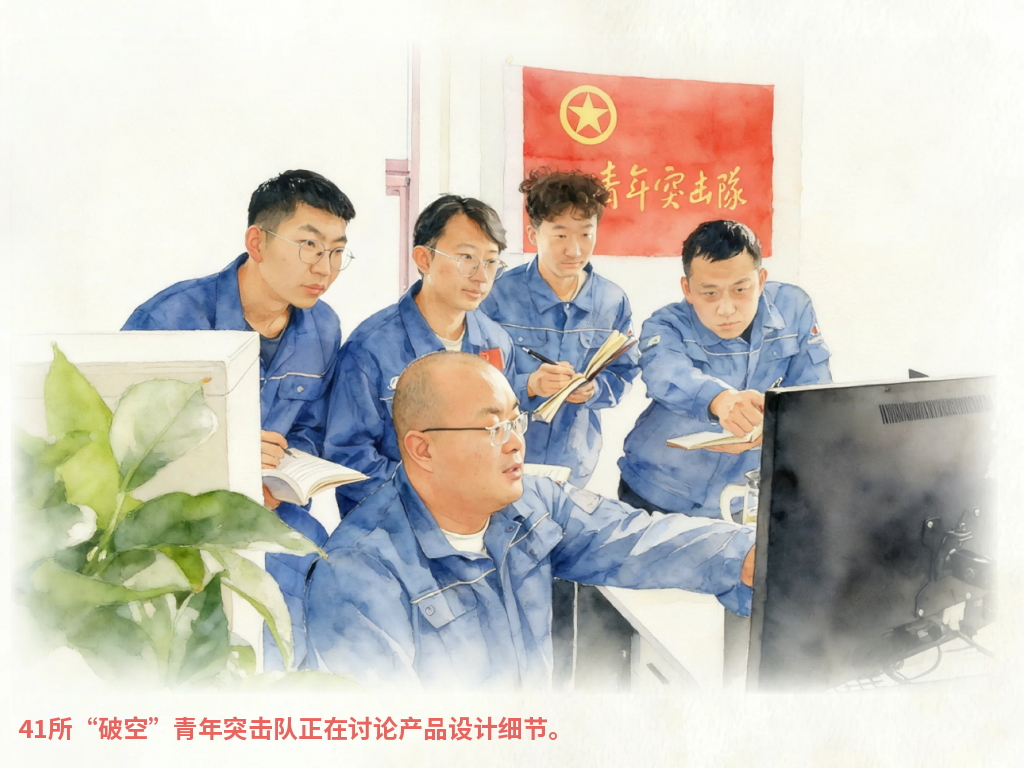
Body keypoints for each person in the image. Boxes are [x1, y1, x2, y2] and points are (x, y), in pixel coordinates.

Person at [304, 351, 755, 690]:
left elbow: (634, 538)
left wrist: (750, 551)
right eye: (493, 428)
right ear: (423, 449)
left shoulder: (531, 502)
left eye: (516, 422)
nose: (516, 443)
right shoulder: (358, 573)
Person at [122, 169, 356, 669]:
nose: (325, 267)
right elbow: (122, 449)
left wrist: (278, 480)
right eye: (309, 246)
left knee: (331, 576)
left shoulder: (324, 326)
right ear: (257, 242)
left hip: (270, 512)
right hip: (177, 518)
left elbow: (309, 428)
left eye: (337, 251)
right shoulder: (171, 322)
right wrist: (231, 462)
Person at [324, 194, 554, 516]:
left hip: (475, 513)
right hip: (393, 519)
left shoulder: (496, 342)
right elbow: (349, 457)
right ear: (424, 259)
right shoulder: (370, 348)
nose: (481, 277)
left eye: (491, 262)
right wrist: (439, 497)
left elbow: (503, 432)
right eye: (466, 258)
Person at [618, 219, 832, 517]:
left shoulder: (794, 308)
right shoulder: (665, 324)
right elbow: (664, 372)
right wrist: (720, 400)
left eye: (740, 289)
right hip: (657, 491)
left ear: (761, 280)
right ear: (687, 289)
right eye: (710, 293)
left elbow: (814, 393)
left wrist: (776, 425)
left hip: (740, 498)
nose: (727, 309)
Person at [480, 168, 639, 487]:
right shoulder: (496, 295)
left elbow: (625, 371)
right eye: (561, 235)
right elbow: (473, 378)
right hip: (501, 458)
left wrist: (595, 390)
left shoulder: (611, 300)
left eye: (585, 234)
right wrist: (529, 385)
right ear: (533, 234)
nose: (575, 250)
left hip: (576, 464)